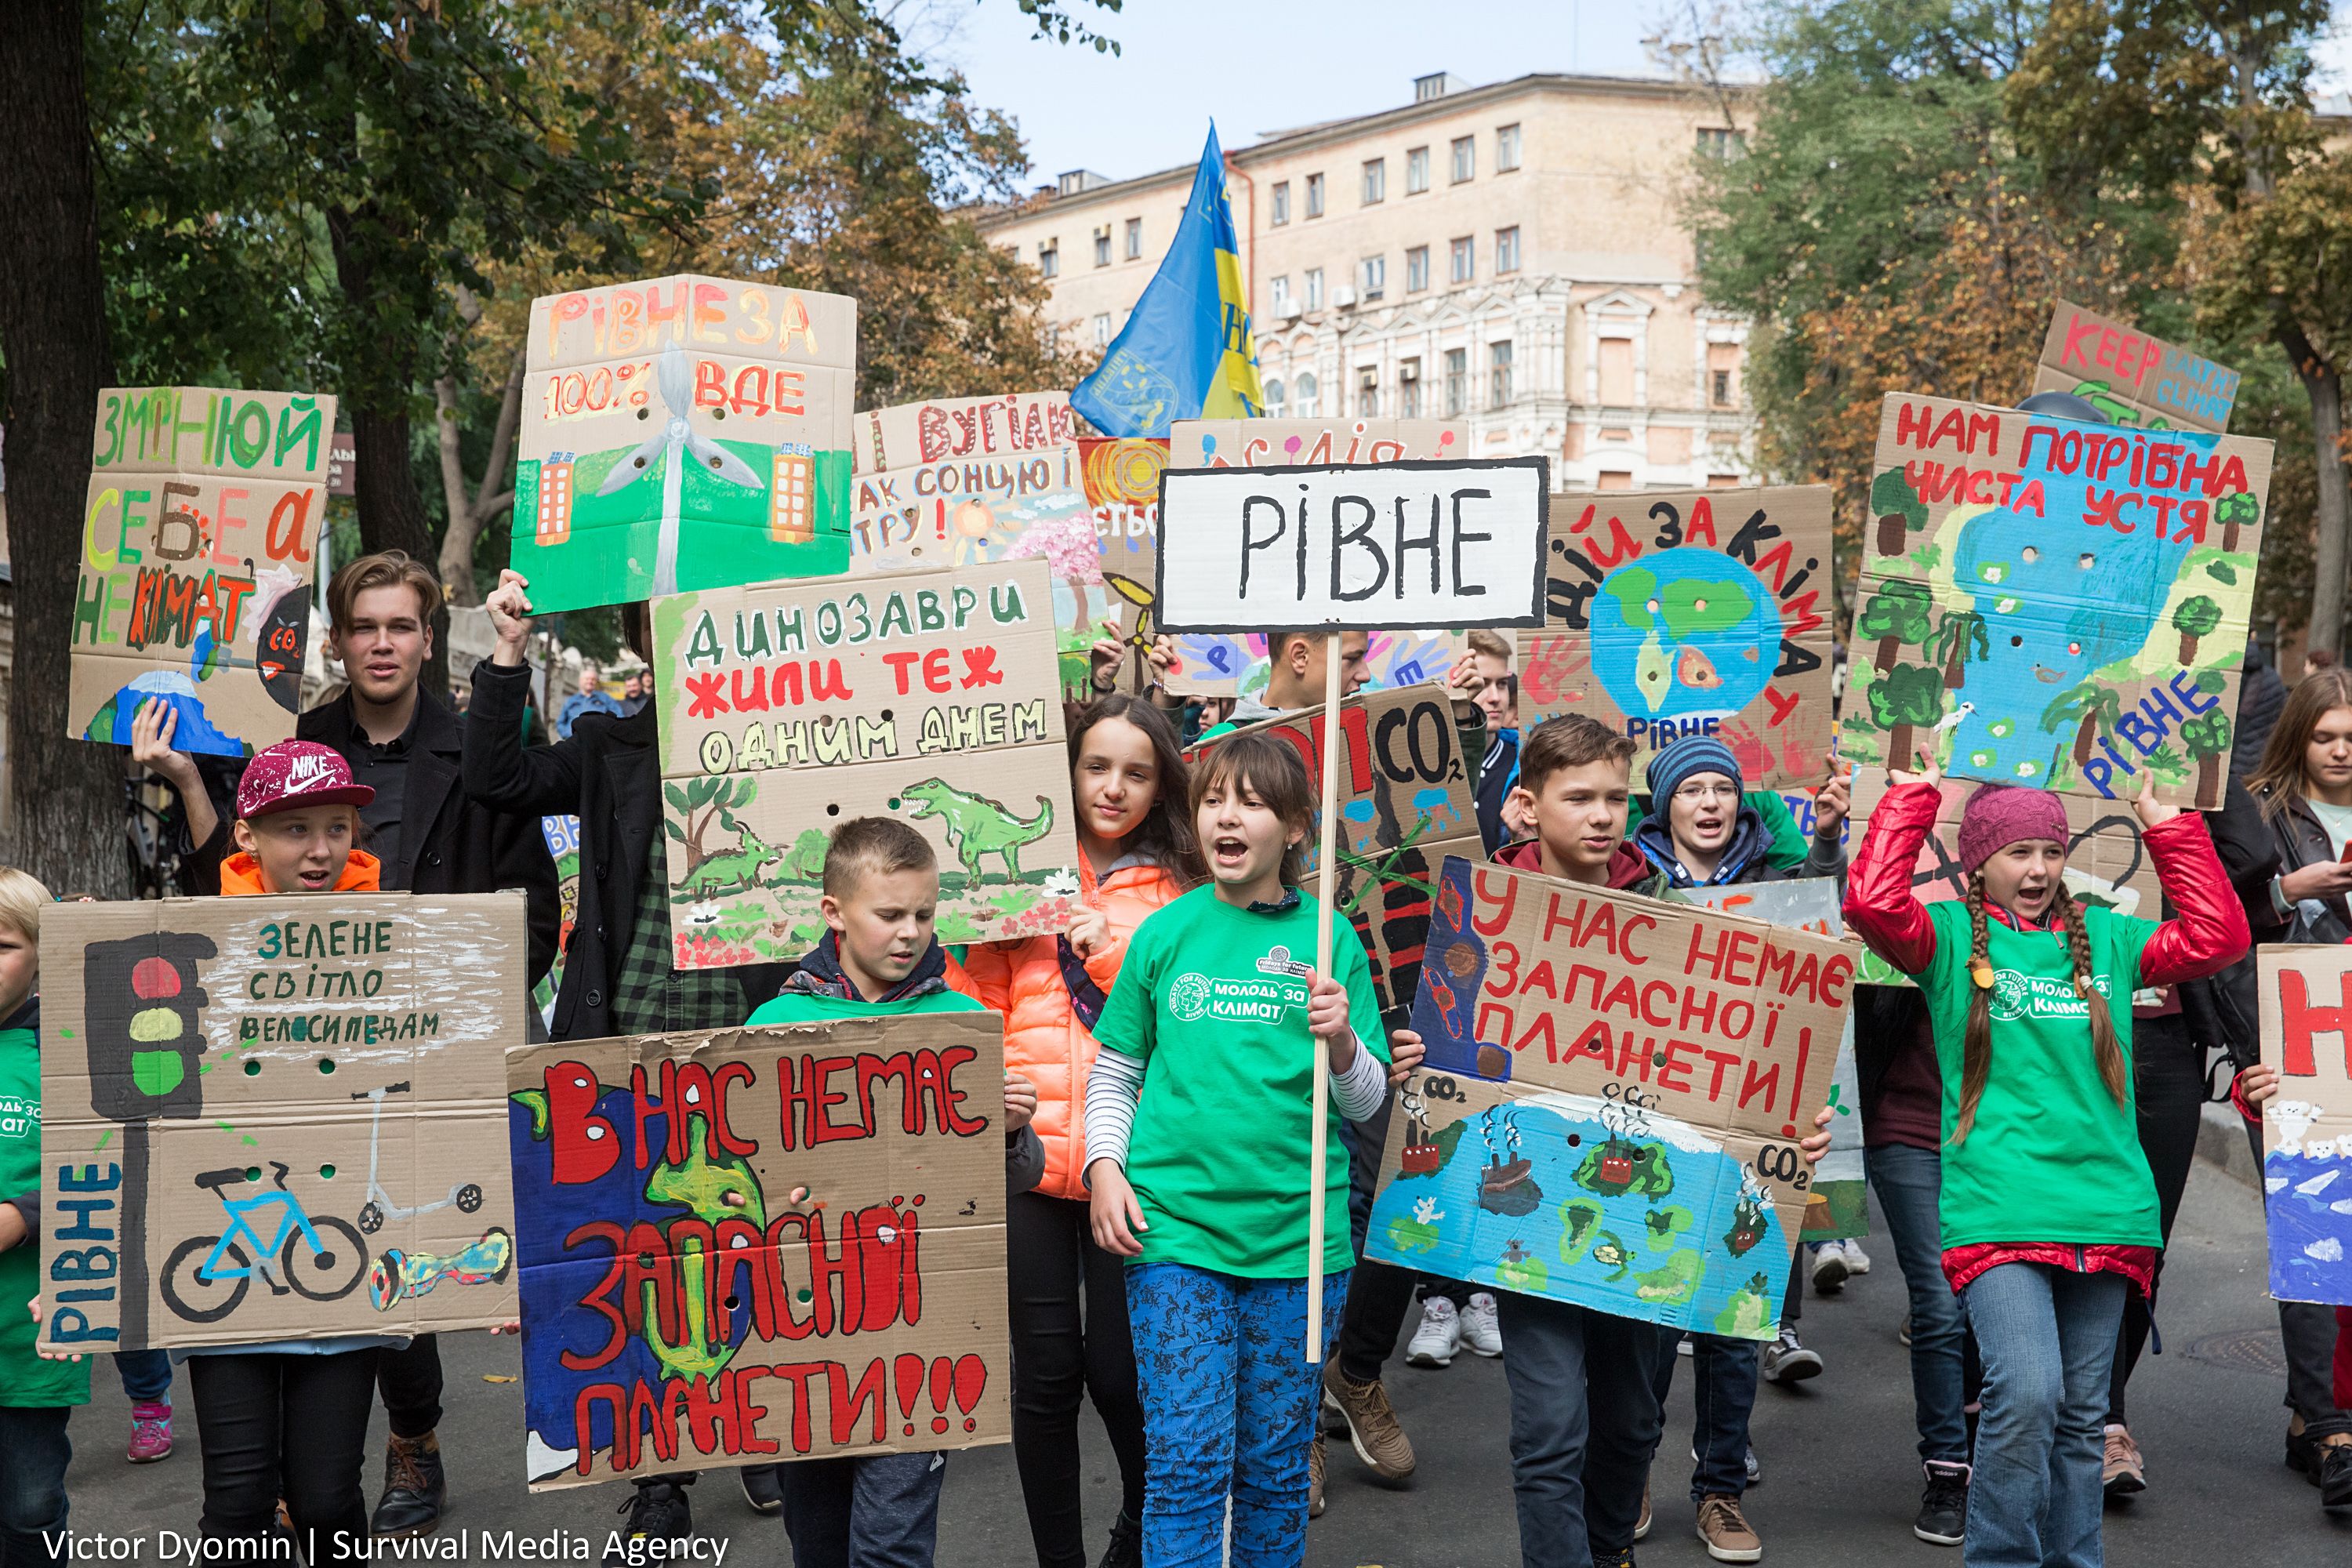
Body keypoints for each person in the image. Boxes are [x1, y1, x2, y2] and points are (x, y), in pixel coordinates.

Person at [1844, 755, 2246, 1566]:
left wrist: (2169, 825)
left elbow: (2219, 936)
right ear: (1980, 860)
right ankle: (2001, 1558)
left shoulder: (2107, 935)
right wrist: (1918, 799)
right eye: (2018, 852)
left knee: (2081, 1414)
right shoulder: (1949, 938)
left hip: (2106, 1208)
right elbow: (1871, 902)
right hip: (1997, 1209)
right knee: (2026, 1393)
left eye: (2050, 852)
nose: (2037, 869)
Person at [466, 569, 790, 1548]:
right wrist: (509, 652)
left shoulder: (797, 745)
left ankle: (752, 1412)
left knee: (752, 1246)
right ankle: (661, 1479)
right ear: (645, 640)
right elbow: (498, 778)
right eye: (664, 621)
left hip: (753, 1041)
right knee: (652, 1258)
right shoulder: (613, 744)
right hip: (627, 1046)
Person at [1484, 717, 1831, 1568]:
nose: (1601, 816)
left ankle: (1610, 1551)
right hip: (1523, 1213)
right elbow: (1454, 1050)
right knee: (1550, 1426)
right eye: (1579, 798)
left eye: (1614, 796)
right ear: (1527, 806)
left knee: (1633, 1420)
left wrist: (1785, 1120)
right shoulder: (1482, 908)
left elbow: (1735, 1048)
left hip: (1647, 1210)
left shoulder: (1680, 913)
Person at [1083, 731, 1403, 1567]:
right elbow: (1116, 1073)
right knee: (1187, 1460)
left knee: (1271, 1467)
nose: (1229, 816)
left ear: (1297, 828)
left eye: (1254, 802)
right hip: (1175, 1233)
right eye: (1214, 799)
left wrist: (1341, 1042)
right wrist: (1104, 1168)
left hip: (1299, 1248)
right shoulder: (1165, 933)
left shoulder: (1332, 939)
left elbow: (1369, 1102)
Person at [746, 816, 1045, 1568]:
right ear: (833, 912)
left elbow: (1020, 1180)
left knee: (891, 1545)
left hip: (920, 1339)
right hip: (805, 1339)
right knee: (816, 1539)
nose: (910, 933)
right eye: (889, 915)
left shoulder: (965, 1025)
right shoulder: (773, 1027)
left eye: (924, 913)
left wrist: (1008, 1132)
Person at [963, 697, 1200, 1568]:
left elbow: (1185, 1014)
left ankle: (1142, 1538)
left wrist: (1106, 951)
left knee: (1120, 1374)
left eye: (1136, 772)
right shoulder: (1010, 863)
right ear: (1066, 770)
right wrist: (981, 1068)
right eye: (1097, 766)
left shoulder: (1184, 881)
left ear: (1161, 783)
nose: (1113, 787)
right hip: (1024, 1158)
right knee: (1047, 1376)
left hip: (1128, 1160)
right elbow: (977, 990)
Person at [185, 742, 405, 1563]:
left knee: (327, 1499)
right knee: (237, 1500)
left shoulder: (402, 941)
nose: (319, 849)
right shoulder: (189, 945)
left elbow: (440, 1098)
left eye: (336, 827)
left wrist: (473, 1256)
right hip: (226, 1284)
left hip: (343, 1287)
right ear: (247, 835)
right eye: (295, 829)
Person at [1630, 734, 1847, 1563]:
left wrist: (1825, 835)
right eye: (1693, 791)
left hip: (1756, 1126)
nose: (1712, 802)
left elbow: (1824, 913)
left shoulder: (1775, 885)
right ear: (1666, 806)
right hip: (1656, 1125)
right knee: (1650, 1312)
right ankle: (1635, 1465)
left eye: (1725, 788)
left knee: (1733, 1314)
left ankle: (1720, 1486)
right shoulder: (1634, 883)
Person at [2241, 668, 2352, 1504]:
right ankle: (2327, 1422)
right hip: (2299, 1041)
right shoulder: (2262, 814)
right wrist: (2288, 888)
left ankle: (2308, 1414)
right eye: (2326, 735)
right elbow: (2220, 915)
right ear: (2299, 739)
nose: (2342, 749)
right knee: (2316, 1226)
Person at [0, 867, 92, 1566]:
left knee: (30, 1508)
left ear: (41, 956)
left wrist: (24, 1215)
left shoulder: (66, 1053)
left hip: (29, 1339)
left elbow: (111, 1165)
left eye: (2, 944)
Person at [557, 660, 620, 739]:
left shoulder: (605, 699)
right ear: (580, 681)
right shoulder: (571, 700)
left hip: (598, 742)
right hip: (573, 742)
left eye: (593, 679)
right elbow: (560, 722)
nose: (590, 681)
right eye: (587, 679)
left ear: (596, 682)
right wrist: (567, 734)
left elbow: (619, 718)